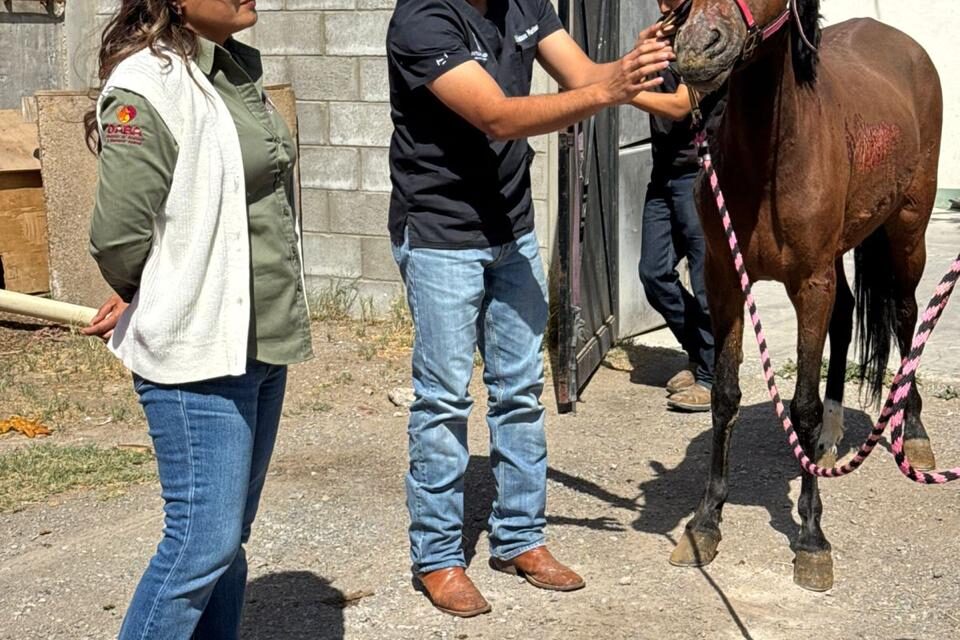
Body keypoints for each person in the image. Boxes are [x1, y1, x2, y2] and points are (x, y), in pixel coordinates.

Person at [386, 0, 673, 618]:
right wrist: (610, 92)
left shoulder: (524, 3)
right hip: (440, 233)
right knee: (444, 400)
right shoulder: (422, 18)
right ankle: (438, 557)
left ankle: (519, 537)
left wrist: (630, 66)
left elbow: (583, 74)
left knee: (520, 389)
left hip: (511, 227)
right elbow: (496, 116)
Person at [80, 1, 312, 637]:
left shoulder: (230, 71)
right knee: (200, 545)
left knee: (227, 542)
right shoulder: (145, 84)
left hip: (259, 340)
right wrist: (144, 288)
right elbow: (117, 234)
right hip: (197, 351)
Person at [634, 0, 726, 413]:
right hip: (664, 173)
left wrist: (624, 92)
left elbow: (677, 105)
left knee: (707, 284)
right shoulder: (663, 36)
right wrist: (641, 49)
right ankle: (701, 351)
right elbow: (636, 72)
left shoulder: (714, 41)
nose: (662, 4)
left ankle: (712, 377)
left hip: (700, 175)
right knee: (653, 274)